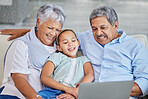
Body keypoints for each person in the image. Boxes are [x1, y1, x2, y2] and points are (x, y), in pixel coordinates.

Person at [1, 6, 148, 99]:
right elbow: (57, 34)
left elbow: (144, 82)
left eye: (103, 27)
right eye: (94, 28)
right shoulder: (84, 38)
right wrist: (29, 31)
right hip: (86, 95)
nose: (98, 33)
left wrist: (115, 92)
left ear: (115, 25)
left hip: (121, 96)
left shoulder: (135, 46)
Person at [0, 4, 65, 99]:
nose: (53, 33)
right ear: (38, 22)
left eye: (57, 30)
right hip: (15, 95)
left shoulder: (62, 46)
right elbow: (19, 78)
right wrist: (37, 97)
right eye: (50, 28)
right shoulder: (21, 44)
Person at [37, 29, 94, 99]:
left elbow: (90, 75)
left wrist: (78, 90)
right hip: (52, 91)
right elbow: (45, 77)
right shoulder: (57, 56)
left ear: (78, 43)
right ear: (59, 48)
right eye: (65, 42)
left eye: (73, 41)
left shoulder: (83, 60)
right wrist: (68, 89)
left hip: (75, 93)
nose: (70, 44)